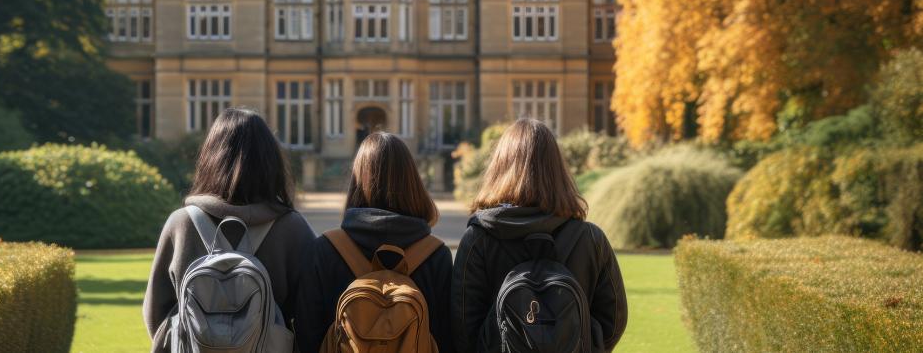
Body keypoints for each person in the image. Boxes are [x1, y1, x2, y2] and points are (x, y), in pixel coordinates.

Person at [143, 108, 316, 353]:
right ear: (270, 161)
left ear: (210, 158)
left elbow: (155, 312)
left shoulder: (181, 224)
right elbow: (311, 315)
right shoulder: (292, 228)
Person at [451, 119, 628, 352]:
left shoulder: (477, 239)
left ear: (500, 167)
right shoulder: (591, 238)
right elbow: (614, 319)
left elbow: (462, 325)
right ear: (557, 170)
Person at [295, 132, 453, 353]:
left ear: (357, 180)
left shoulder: (325, 250)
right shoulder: (436, 255)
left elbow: (306, 336)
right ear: (412, 182)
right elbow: (448, 339)